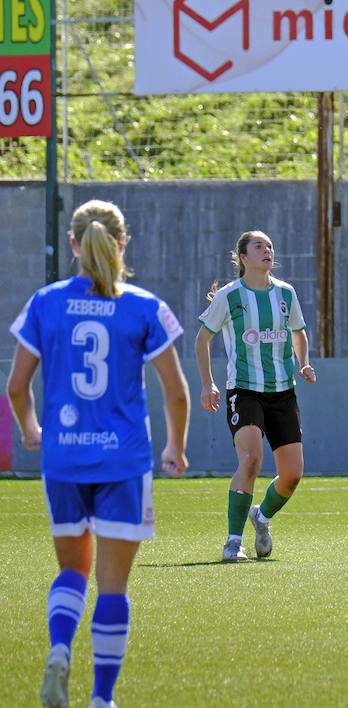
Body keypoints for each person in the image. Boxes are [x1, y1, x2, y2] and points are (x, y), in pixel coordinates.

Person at [7, 199, 191, 708]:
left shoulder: (45, 302)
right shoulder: (144, 306)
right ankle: (102, 699)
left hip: (63, 458)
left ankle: (60, 648)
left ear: (73, 244)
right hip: (123, 462)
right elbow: (175, 391)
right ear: (122, 243)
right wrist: (175, 447)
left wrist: (31, 429)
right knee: (112, 586)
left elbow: (17, 386)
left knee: (72, 571)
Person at [195, 230, 316, 562]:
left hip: (282, 393)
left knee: (292, 475)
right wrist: (208, 383)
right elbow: (201, 340)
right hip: (244, 390)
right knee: (250, 459)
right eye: (259, 246)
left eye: (270, 246)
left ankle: (261, 518)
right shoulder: (230, 296)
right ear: (243, 257)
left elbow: (299, 331)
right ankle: (233, 542)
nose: (267, 250)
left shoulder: (286, 294)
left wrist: (303, 363)